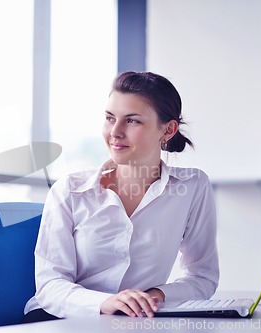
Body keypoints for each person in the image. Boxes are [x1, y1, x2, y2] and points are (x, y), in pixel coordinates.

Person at [22, 71, 219, 323]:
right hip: (62, 320)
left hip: (135, 321)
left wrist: (155, 295)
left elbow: (202, 277)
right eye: (109, 118)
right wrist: (105, 303)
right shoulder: (70, 191)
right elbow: (50, 285)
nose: (115, 132)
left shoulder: (192, 187)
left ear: (168, 130)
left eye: (132, 121)